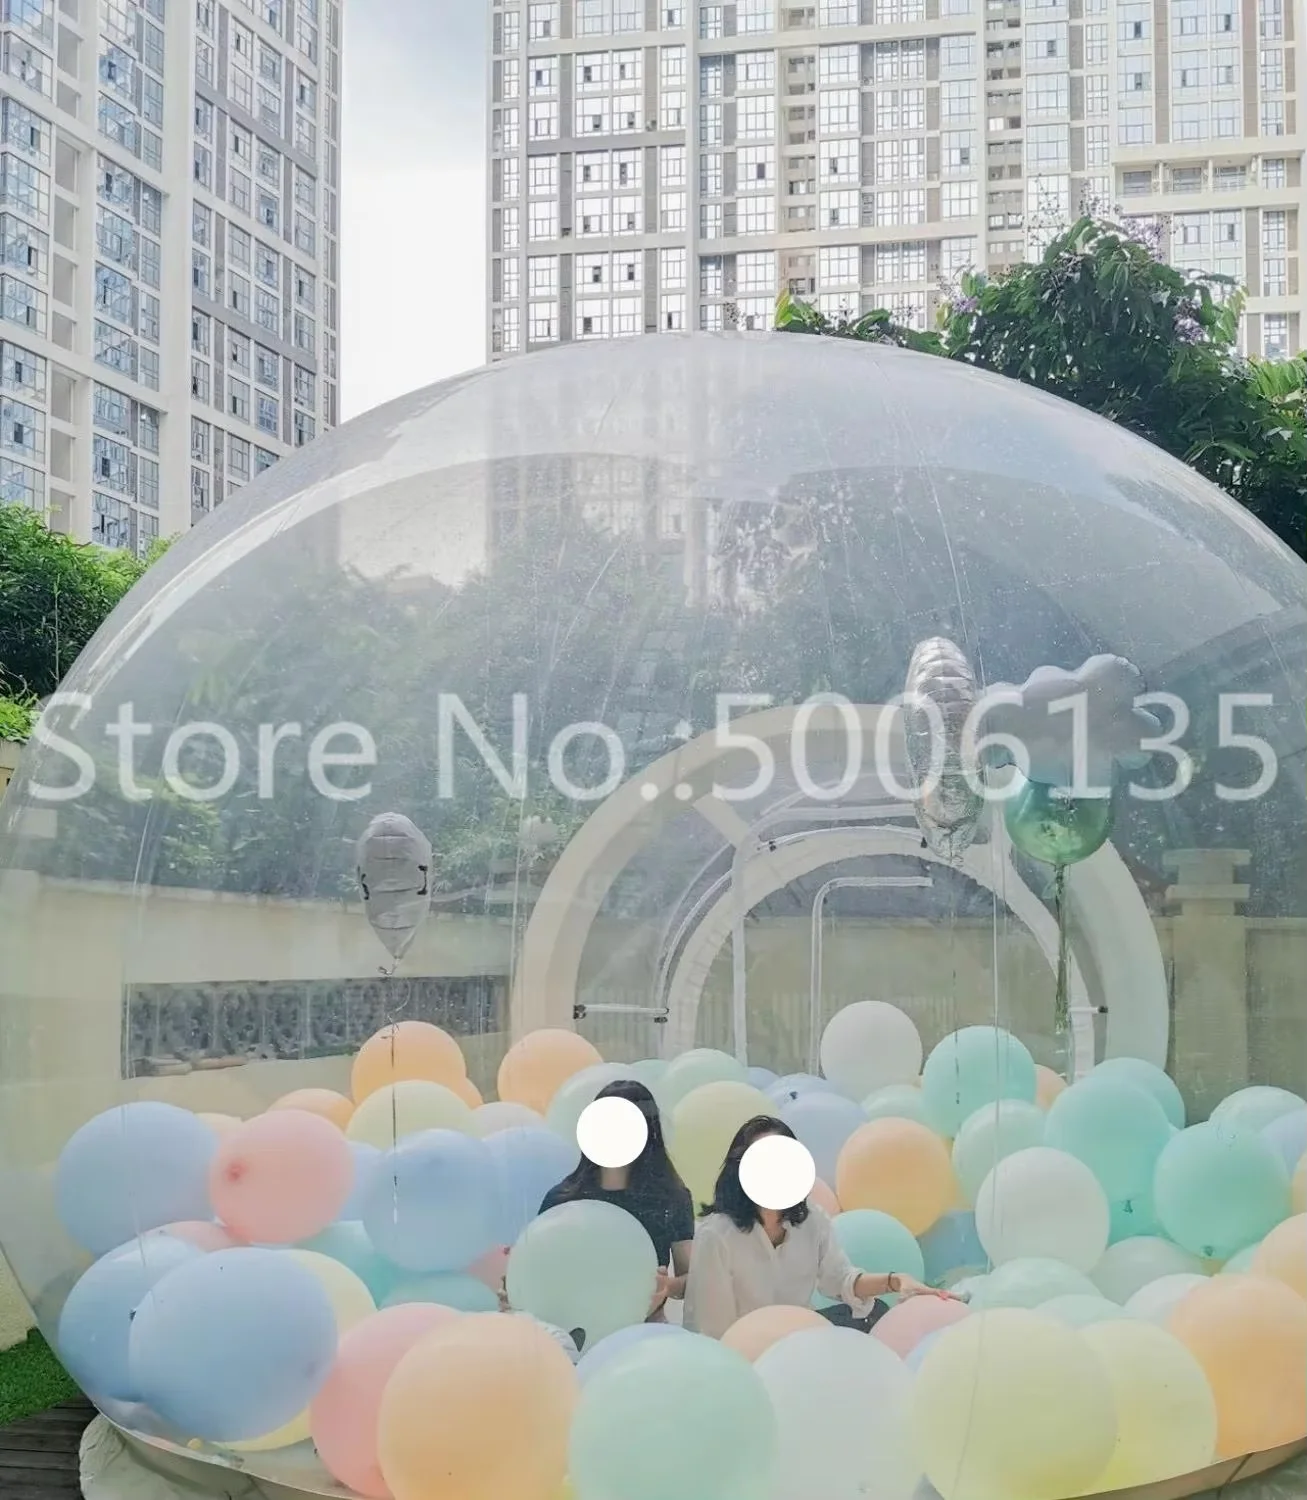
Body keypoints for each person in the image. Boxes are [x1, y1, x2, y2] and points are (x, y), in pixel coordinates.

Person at [684, 1115, 958, 1339]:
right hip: (746, 1350)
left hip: (802, 1341)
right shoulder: (716, 1236)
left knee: (876, 1313)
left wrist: (896, 1280)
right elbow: (712, 1331)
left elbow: (840, 1279)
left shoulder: (811, 1221)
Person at [539, 1079, 694, 1320]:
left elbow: (691, 1279)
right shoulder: (562, 1200)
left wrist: (668, 1286)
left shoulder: (671, 1198)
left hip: (645, 1328)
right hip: (575, 1329)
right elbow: (540, 1270)